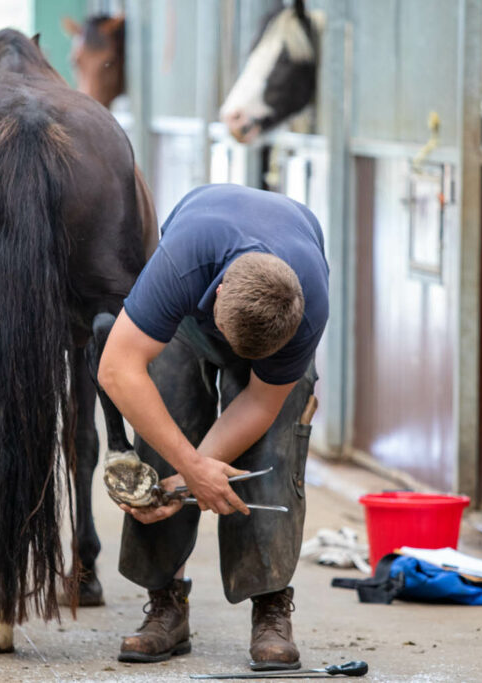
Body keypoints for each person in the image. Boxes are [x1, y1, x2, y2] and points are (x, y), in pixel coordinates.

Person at [98, 184, 329, 671]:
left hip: (270, 326)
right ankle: (166, 602)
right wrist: (183, 467)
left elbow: (260, 405)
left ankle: (270, 606)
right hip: (189, 320)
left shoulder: (305, 307)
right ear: (220, 291)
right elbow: (117, 368)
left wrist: (190, 480)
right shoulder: (184, 260)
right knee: (165, 417)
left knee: (274, 447)